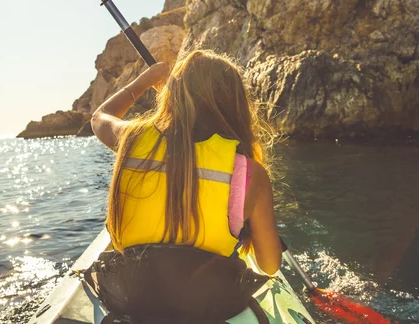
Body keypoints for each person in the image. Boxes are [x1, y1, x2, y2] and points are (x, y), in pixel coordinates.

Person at [87, 50, 282, 323]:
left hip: (134, 299)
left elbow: (99, 117)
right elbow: (270, 265)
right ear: (236, 104)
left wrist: (145, 80)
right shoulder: (250, 172)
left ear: (172, 94)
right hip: (209, 307)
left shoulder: (130, 138)